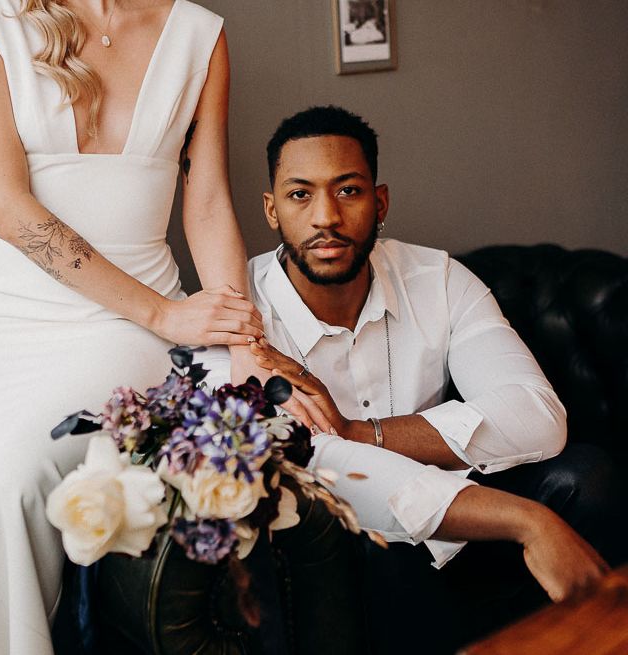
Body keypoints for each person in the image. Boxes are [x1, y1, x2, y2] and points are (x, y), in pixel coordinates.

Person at [0, 1, 273, 654]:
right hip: (6, 312)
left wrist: (244, 344)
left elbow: (211, 199)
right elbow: (7, 208)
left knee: (8, 478)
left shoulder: (199, 35)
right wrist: (165, 313)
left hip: (126, 329)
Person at [237, 105, 619, 652]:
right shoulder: (243, 310)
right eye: (301, 195)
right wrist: (526, 520)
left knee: (588, 473)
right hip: (348, 549)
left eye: (348, 191)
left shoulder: (436, 278)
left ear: (381, 201)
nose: (325, 216)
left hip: (466, 527)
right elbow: (305, 465)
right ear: (272, 210)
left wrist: (357, 431)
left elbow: (537, 414)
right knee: (375, 548)